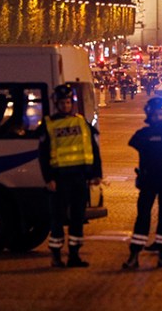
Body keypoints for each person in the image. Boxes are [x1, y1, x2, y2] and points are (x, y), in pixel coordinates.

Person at [38, 84, 102, 268]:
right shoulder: (49, 124)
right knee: (57, 219)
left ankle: (74, 256)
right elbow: (43, 155)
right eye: (62, 103)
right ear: (56, 104)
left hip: (79, 178)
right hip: (59, 179)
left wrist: (96, 174)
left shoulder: (81, 122)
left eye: (68, 102)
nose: (65, 106)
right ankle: (56, 257)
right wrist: (48, 178)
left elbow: (93, 150)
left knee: (77, 219)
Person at [122, 97, 162, 270]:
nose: (157, 118)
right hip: (149, 181)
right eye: (154, 115)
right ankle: (134, 254)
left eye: (160, 114)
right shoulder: (146, 135)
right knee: (143, 217)